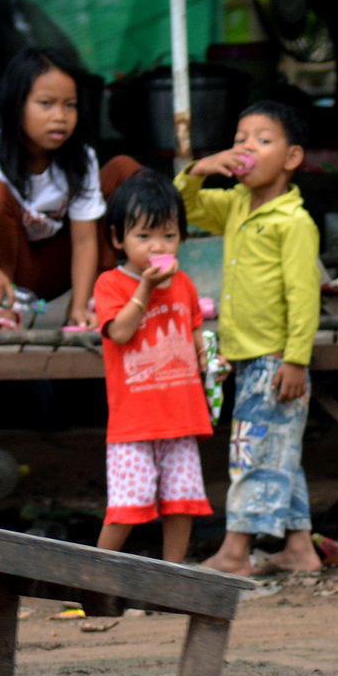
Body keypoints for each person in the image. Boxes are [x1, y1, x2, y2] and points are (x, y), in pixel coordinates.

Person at [178, 101, 324, 575]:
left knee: (249, 454)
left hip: (276, 359)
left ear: (291, 158)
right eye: (241, 138)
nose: (246, 147)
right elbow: (186, 208)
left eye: (262, 139)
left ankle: (236, 551)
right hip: (248, 358)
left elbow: (304, 298)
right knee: (277, 452)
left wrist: (296, 359)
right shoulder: (237, 205)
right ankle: (301, 550)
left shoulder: (294, 223)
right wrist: (198, 170)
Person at [0, 47, 140, 329]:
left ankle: (97, 300)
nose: (60, 116)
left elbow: (84, 241)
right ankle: (4, 308)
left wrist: (78, 305)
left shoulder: (80, 157)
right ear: (16, 106)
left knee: (124, 171)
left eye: (70, 104)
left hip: (57, 271)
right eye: (46, 103)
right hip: (0, 275)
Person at [93, 170, 213, 562]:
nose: (157, 246)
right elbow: (121, 332)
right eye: (143, 236)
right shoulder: (110, 284)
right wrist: (145, 287)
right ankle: (89, 577)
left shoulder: (186, 285)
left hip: (182, 415)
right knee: (129, 503)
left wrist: (210, 358)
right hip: (134, 424)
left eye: (168, 235)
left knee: (183, 500)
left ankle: (171, 578)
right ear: (117, 239)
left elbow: (195, 332)